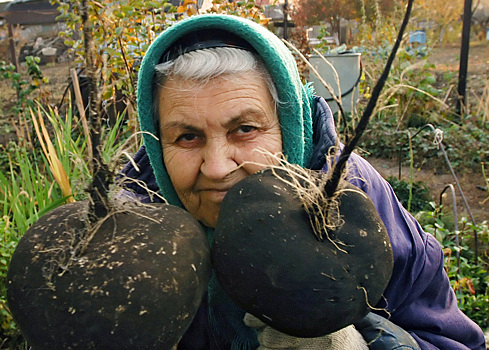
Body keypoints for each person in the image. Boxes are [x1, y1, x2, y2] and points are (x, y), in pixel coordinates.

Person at [119, 14, 486, 350]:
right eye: (187, 137)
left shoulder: (352, 200)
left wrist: (364, 345)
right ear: (157, 142)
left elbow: (453, 341)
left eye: (244, 129)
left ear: (289, 125)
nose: (216, 167)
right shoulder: (129, 225)